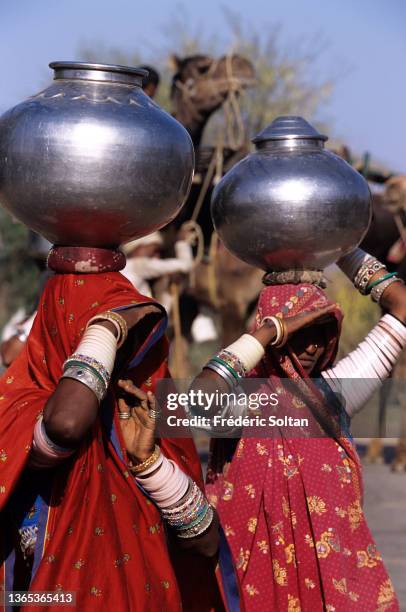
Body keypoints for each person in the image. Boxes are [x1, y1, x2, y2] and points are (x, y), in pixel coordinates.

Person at [0, 246, 221, 611]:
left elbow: (206, 544)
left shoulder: (138, 417)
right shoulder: (19, 414)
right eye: (119, 339)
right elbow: (66, 425)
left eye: (128, 340)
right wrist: (108, 326)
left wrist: (149, 465)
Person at [186, 248, 406, 611]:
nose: (313, 345)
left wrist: (345, 251)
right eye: (300, 333)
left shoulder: (334, 394)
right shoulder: (243, 404)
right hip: (248, 583)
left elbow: (401, 308)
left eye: (322, 331)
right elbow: (200, 401)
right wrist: (270, 332)